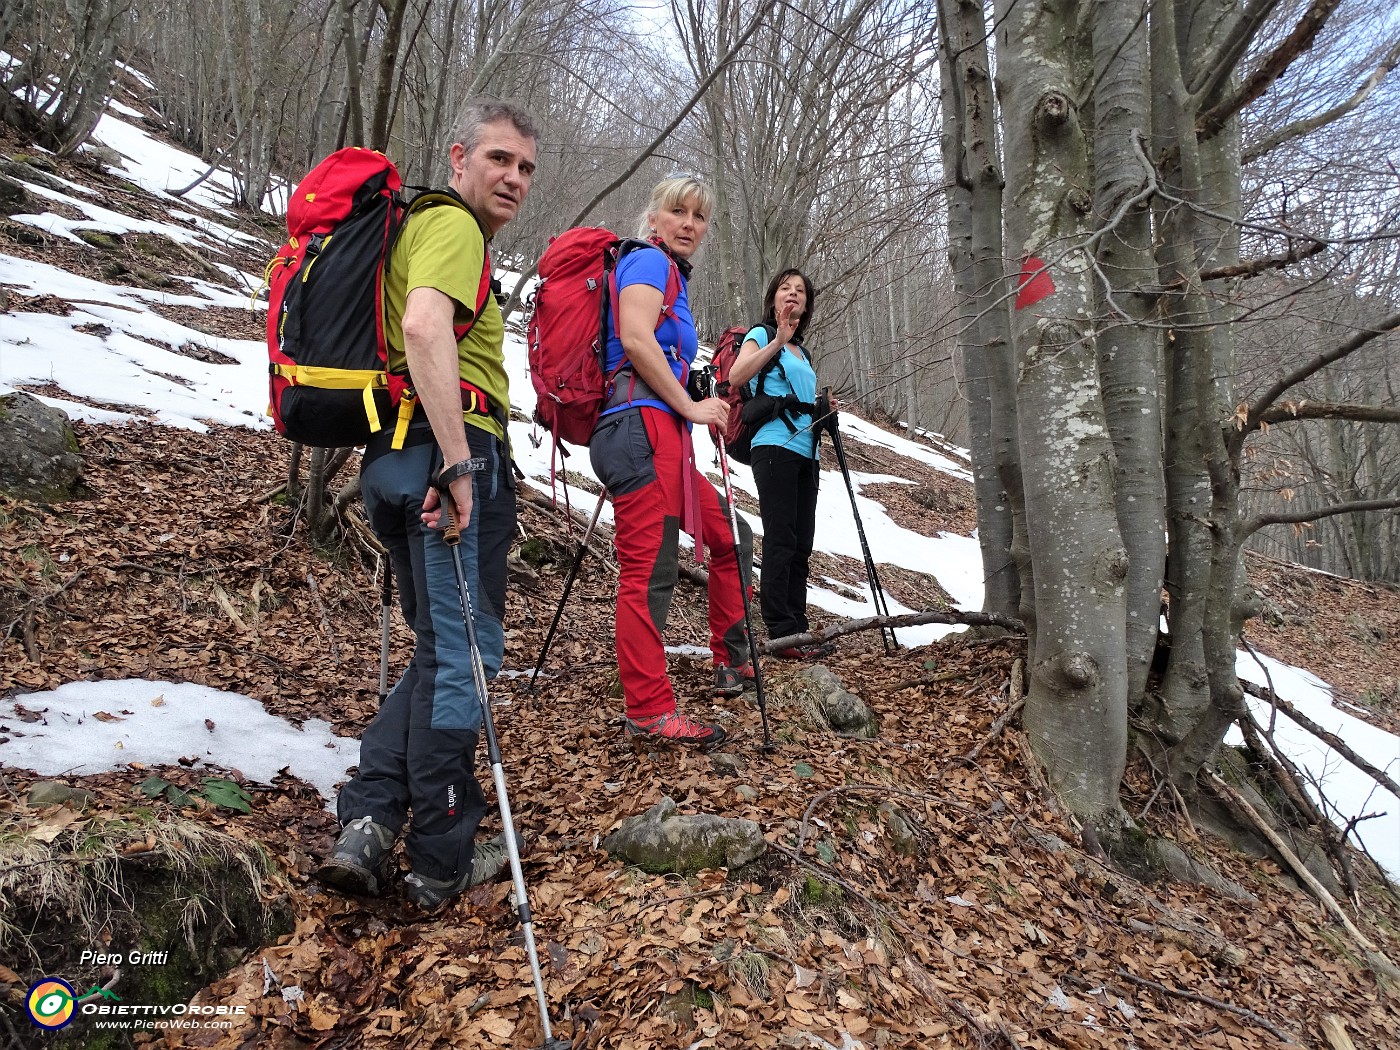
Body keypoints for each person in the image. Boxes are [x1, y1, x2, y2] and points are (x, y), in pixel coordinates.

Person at [318, 97, 538, 912]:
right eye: (499, 160)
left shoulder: (421, 226)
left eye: (524, 168)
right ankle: (442, 858)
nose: (513, 178)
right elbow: (422, 327)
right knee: (464, 663)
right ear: (458, 158)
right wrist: (458, 462)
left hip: (393, 461)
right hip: (444, 460)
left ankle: (369, 822)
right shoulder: (452, 228)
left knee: (439, 653)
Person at [588, 174, 755, 749]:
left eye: (699, 216)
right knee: (647, 573)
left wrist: (690, 397)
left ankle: (734, 661)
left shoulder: (671, 277)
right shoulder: (647, 262)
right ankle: (649, 708)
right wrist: (687, 401)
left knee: (732, 535)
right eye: (677, 211)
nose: (689, 224)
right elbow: (635, 339)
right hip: (638, 430)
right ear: (654, 218)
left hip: (661, 435)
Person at [726, 268, 834, 660]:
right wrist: (777, 341)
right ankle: (780, 629)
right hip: (773, 446)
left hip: (808, 452)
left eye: (800, 290)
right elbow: (737, 376)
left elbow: (800, 398)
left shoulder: (803, 353)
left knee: (802, 541)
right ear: (773, 298)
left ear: (806, 305)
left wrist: (823, 409)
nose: (792, 294)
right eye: (785, 289)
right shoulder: (761, 335)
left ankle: (798, 626)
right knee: (780, 537)